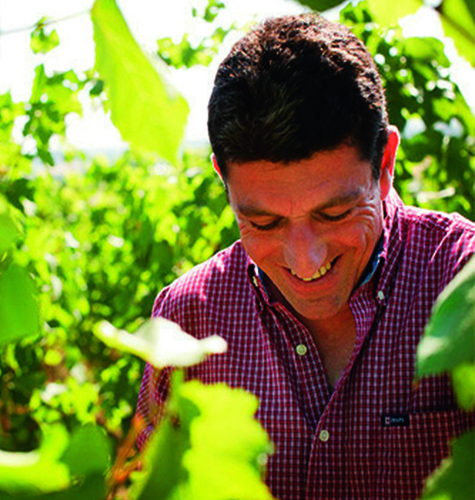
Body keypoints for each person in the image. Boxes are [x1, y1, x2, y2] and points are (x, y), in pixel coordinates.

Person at [137, 13, 475, 500]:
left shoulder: (463, 283)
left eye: (334, 214)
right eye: (265, 223)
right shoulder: (188, 319)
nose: (306, 260)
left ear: (385, 164)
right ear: (224, 181)